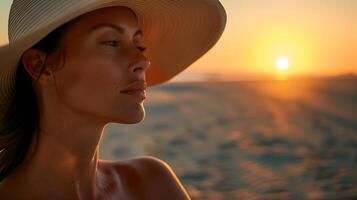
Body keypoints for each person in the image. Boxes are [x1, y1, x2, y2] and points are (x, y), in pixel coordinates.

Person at [0, 0, 226, 199]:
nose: (143, 61)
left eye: (139, 45)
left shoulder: (152, 182)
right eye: (111, 42)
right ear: (41, 66)